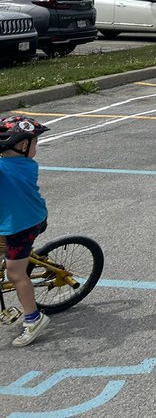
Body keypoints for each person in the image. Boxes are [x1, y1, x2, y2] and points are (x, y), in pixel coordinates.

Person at [0, 116, 52, 347]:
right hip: (13, 219)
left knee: (16, 274)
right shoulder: (22, 163)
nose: (36, 147)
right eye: (35, 142)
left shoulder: (10, 168)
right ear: (23, 146)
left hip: (24, 225)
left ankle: (33, 319)